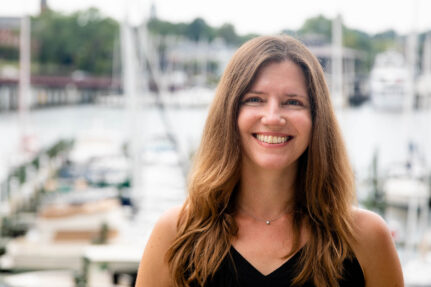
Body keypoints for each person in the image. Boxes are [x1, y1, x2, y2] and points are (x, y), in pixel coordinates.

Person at [135, 35, 404, 287]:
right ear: (229, 114)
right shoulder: (177, 233)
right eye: (255, 99)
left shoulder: (366, 238)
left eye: (293, 102)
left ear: (316, 120)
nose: (273, 117)